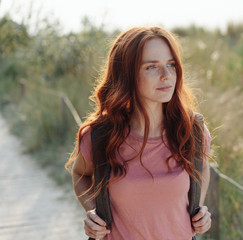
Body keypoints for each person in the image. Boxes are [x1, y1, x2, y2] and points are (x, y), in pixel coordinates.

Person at [65, 26, 212, 240]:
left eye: (171, 65)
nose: (166, 75)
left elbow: (203, 166)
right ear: (128, 75)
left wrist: (199, 208)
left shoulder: (192, 131)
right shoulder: (100, 137)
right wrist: (94, 213)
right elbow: (80, 173)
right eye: (152, 67)